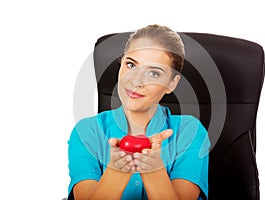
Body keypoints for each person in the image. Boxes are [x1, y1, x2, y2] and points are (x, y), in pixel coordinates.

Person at [68, 24, 210, 200]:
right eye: (131, 65)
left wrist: (153, 172)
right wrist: (116, 173)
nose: (135, 80)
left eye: (154, 73)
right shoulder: (87, 131)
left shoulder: (189, 131)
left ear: (171, 84)